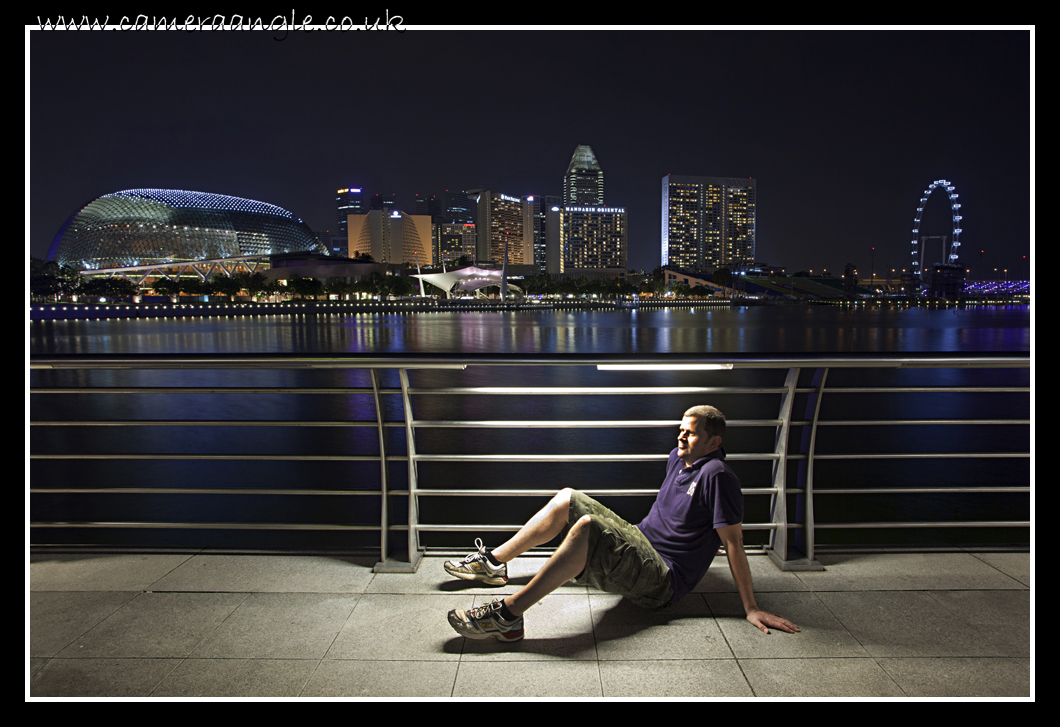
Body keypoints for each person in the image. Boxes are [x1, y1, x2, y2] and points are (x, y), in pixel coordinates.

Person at [444, 405, 799, 642]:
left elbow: (733, 544)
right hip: (640, 539)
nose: (679, 437)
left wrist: (750, 608)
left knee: (587, 528)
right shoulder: (679, 458)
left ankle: (509, 616)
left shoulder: (718, 476)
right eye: (680, 430)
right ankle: (494, 563)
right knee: (568, 497)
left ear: (714, 442)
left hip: (662, 578)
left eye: (689, 434)